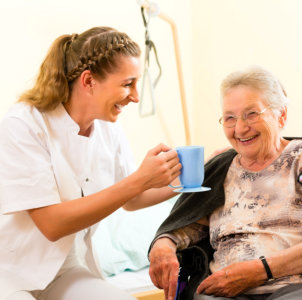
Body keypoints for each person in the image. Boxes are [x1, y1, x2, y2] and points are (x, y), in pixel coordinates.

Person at [0, 26, 183, 300]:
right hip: (10, 273)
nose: (135, 96)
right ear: (88, 81)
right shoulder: (22, 126)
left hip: (66, 271)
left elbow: (133, 199)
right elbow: (52, 225)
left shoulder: (109, 130)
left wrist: (197, 176)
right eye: (127, 83)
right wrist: (140, 179)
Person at [148, 66, 302, 300]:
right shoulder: (221, 168)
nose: (241, 128)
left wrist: (259, 270)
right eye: (230, 118)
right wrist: (163, 244)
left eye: (251, 114)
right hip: (226, 291)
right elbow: (190, 222)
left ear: (281, 115)